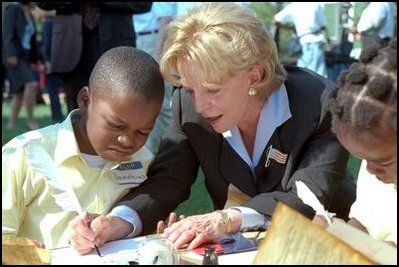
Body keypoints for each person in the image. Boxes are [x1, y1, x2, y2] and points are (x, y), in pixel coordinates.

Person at [68, 2, 355, 253]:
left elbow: (308, 199)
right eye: (190, 90)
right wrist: (117, 222)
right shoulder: (188, 107)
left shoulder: (320, 103)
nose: (200, 106)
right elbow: (167, 180)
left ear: (254, 75)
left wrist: (226, 219)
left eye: (212, 90)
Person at [2, 46, 165, 249]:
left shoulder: (143, 161)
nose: (127, 141)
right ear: (85, 100)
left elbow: (138, 222)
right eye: (116, 125)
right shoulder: (23, 156)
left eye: (143, 132)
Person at [319, 38, 397, 245]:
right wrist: (338, 234)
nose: (371, 170)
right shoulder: (375, 171)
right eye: (363, 159)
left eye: (383, 162)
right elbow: (364, 221)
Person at [37, 2, 152, 112]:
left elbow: (143, 4)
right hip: (72, 47)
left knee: (118, 110)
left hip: (116, 43)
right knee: (77, 113)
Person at [133, 2, 176, 154]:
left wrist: (157, 55)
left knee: (162, 104)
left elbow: (166, 19)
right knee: (144, 104)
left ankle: (181, 147)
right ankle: (148, 154)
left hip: (153, 41)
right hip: (137, 40)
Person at [2, 2, 40, 130]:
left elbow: (32, 41)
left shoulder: (29, 14)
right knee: (32, 84)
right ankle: (31, 121)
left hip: (25, 58)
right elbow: (7, 33)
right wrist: (10, 53)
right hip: (14, 57)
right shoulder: (13, 9)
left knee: (18, 93)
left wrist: (39, 59)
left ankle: (11, 126)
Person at [274, 2, 328, 78]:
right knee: (320, 76)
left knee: (302, 74)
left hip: (302, 43)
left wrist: (292, 28)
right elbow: (323, 25)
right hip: (315, 41)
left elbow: (276, 20)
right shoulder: (315, 4)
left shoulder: (294, 5)